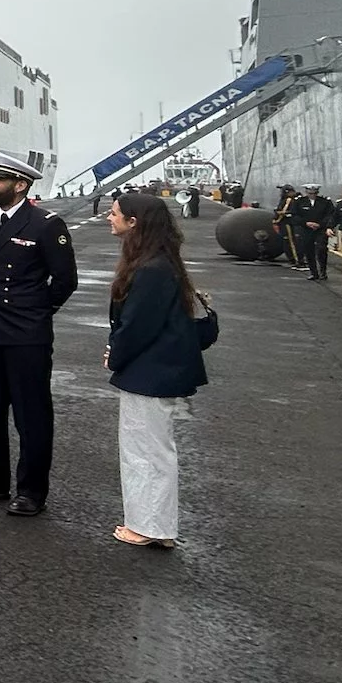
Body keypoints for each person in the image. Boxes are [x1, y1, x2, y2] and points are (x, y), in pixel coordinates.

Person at [0, 152, 78, 516]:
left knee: (31, 414)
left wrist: (38, 311)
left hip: (27, 334)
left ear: (20, 185)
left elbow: (66, 281)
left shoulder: (45, 224)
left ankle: (31, 491)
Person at [104, 192, 211, 548]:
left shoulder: (149, 269)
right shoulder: (161, 261)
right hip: (158, 369)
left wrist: (115, 356)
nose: (109, 216)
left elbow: (137, 325)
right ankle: (158, 527)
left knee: (144, 451)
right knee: (154, 450)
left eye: (116, 213)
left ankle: (149, 527)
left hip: (149, 372)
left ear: (134, 222)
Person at [289, 183, 334, 280]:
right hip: (305, 229)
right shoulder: (299, 202)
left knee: (321, 249)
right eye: (310, 192)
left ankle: (323, 271)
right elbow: (294, 216)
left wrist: (321, 224)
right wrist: (306, 223)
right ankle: (314, 272)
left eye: (314, 193)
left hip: (320, 229)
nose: (312, 194)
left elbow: (330, 215)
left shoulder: (325, 202)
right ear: (306, 192)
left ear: (317, 192)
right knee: (308, 250)